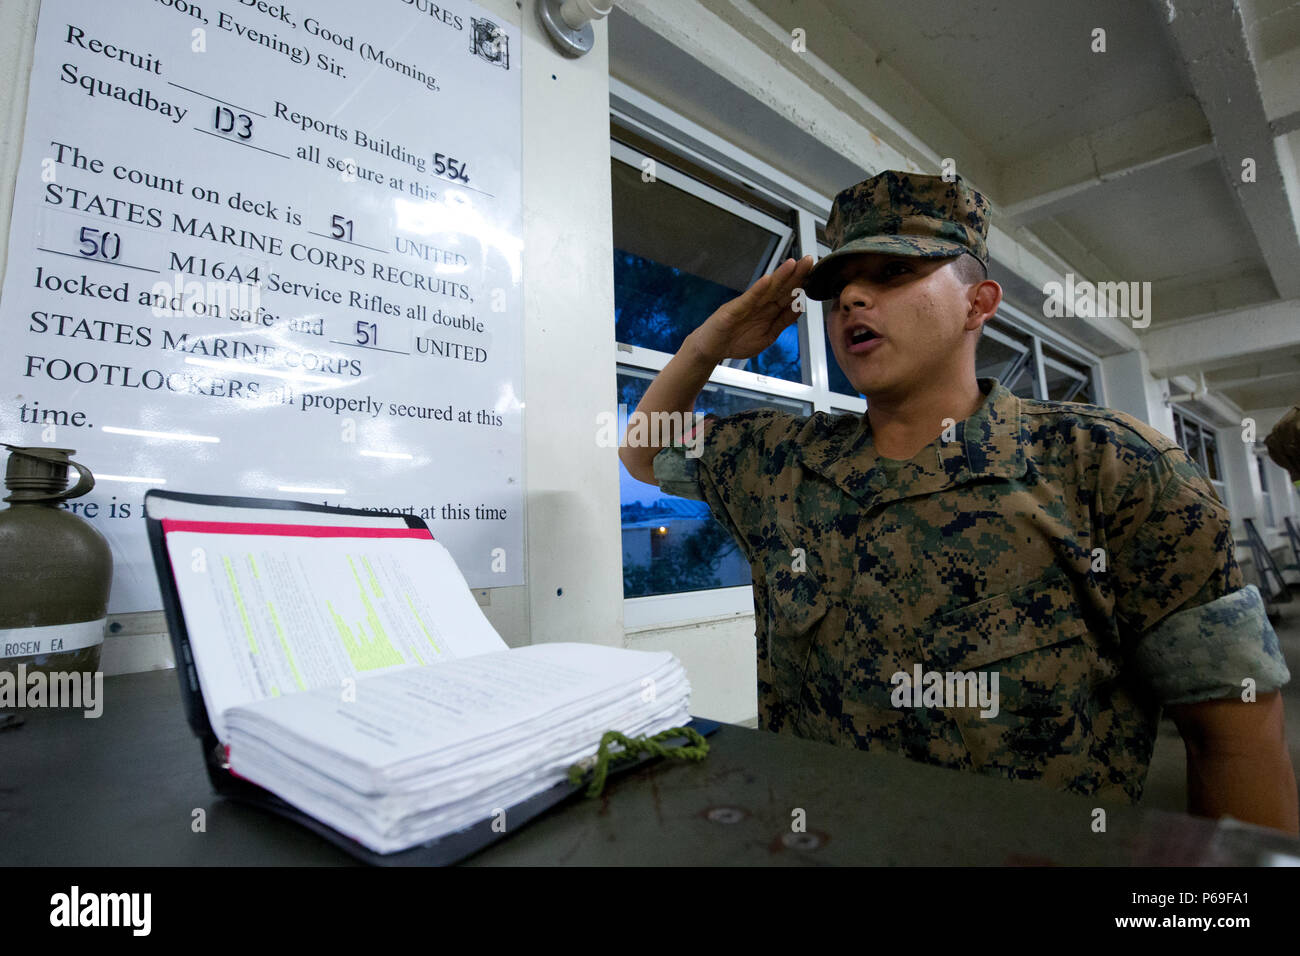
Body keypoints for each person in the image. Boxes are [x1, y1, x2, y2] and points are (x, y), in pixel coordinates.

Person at [620, 170, 1297, 833]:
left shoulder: (1106, 465)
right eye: (838, 287)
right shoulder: (783, 462)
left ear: (980, 303)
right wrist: (709, 345)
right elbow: (642, 453)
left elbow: (1235, 739)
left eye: (892, 273)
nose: (853, 297)